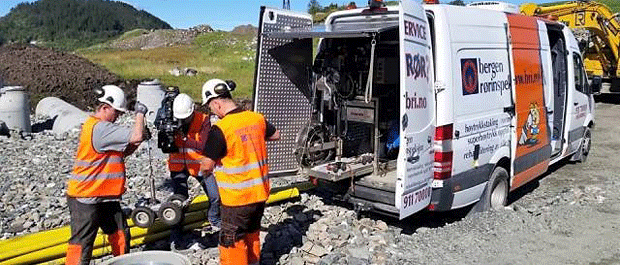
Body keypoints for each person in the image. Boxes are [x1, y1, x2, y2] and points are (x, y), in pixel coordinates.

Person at [199, 79, 280, 265]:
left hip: (236, 200)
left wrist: (205, 171)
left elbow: (207, 166)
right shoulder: (256, 118)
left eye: (211, 108)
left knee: (232, 242)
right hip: (259, 194)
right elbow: (276, 135)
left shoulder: (221, 129)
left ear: (217, 103)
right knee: (252, 235)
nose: (213, 113)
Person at [65, 85, 149, 265]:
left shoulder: (102, 129)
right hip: (85, 196)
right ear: (104, 108)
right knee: (81, 244)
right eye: (116, 112)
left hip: (104, 195)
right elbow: (135, 135)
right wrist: (140, 114)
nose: (118, 116)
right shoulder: (100, 128)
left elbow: (123, 151)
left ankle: (123, 262)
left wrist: (138, 140)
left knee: (119, 233)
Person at [167, 93, 221, 247]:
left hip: (199, 165)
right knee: (179, 201)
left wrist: (184, 139)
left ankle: (214, 218)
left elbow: (204, 145)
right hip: (178, 166)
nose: (182, 120)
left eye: (186, 117)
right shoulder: (170, 121)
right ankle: (176, 233)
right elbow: (165, 147)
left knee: (215, 196)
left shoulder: (203, 119)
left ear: (192, 111)